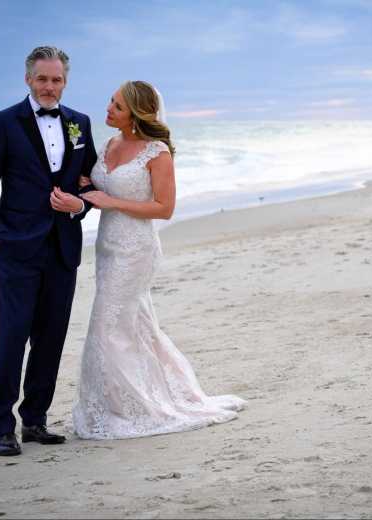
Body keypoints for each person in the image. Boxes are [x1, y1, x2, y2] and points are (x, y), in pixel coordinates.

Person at [72, 81, 245, 439]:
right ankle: (135, 397)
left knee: (108, 325)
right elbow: (99, 186)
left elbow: (164, 208)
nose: (108, 109)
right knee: (134, 325)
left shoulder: (157, 153)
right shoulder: (108, 145)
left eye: (117, 106)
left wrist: (111, 201)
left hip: (136, 249)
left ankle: (127, 407)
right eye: (110, 101)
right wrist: (87, 185)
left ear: (135, 114)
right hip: (107, 247)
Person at [0, 46, 97, 456]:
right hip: (17, 249)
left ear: (65, 81)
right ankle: (1, 427)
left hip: (63, 247)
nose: (49, 87)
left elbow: (88, 181)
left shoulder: (80, 123)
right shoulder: (4, 122)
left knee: (51, 337)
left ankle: (36, 421)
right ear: (28, 79)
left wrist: (81, 206)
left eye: (56, 80)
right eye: (42, 79)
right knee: (12, 336)